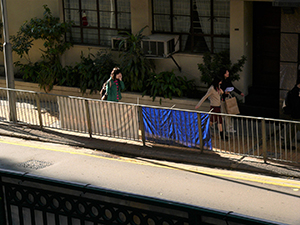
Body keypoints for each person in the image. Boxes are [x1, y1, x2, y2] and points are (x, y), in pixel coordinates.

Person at [220, 69, 244, 133]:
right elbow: (220, 90)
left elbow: (232, 87)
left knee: (228, 114)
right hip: (223, 99)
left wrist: (240, 93)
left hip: (227, 98)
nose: (228, 74)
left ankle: (229, 128)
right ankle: (222, 128)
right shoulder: (221, 81)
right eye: (226, 73)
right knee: (223, 114)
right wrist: (224, 93)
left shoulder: (228, 80)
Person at [282, 78, 300, 149]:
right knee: (292, 129)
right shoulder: (295, 92)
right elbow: (296, 104)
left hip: (294, 114)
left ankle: (286, 144)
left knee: (291, 130)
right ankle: (286, 144)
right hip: (297, 114)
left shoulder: (293, 91)